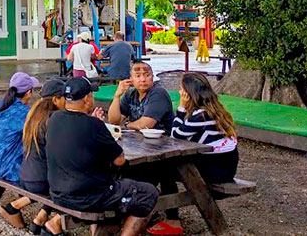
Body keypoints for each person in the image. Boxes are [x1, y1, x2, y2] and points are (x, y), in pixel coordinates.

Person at [45, 77, 158, 236]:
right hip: (90, 197)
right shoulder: (93, 125)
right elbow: (120, 160)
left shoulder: (54, 119)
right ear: (86, 99)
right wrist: (99, 128)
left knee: (117, 185)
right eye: (91, 95)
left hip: (58, 193)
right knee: (148, 192)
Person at [148, 73, 240, 236]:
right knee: (167, 168)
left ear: (189, 93)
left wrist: (182, 107)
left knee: (164, 171)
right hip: (225, 166)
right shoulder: (213, 110)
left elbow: (175, 135)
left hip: (217, 171)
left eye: (181, 90)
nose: (179, 92)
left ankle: (168, 218)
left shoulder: (200, 115)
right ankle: (156, 210)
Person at [107, 62, 176, 234]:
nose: (143, 79)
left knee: (149, 171)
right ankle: (134, 209)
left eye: (146, 75)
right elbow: (114, 120)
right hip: (141, 146)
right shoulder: (130, 94)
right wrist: (117, 96)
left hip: (164, 146)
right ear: (131, 79)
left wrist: (128, 125)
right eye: (138, 76)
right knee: (122, 167)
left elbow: (147, 123)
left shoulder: (158, 93)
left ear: (153, 77)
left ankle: (170, 216)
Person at [0, 77, 66, 233]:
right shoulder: (53, 120)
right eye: (65, 98)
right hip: (40, 180)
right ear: (56, 100)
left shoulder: (33, 113)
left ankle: (38, 217)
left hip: (25, 174)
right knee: (67, 184)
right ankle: (46, 221)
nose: (67, 102)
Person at [0, 72, 40, 183]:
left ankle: (20, 200)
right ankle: (21, 200)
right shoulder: (25, 113)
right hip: (10, 170)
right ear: (28, 93)